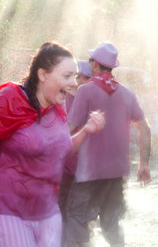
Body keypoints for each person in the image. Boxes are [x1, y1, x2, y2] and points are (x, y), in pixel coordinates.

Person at [0, 42, 104, 247]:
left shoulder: (58, 105)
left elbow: (59, 152)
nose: (74, 83)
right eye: (67, 76)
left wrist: (86, 131)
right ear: (42, 74)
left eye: (75, 76)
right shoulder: (9, 100)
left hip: (49, 214)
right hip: (10, 212)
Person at [64, 42, 151, 246]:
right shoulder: (127, 94)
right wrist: (143, 164)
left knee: (77, 219)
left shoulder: (86, 91)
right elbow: (144, 128)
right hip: (117, 172)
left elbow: (70, 127)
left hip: (89, 173)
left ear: (95, 65)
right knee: (111, 225)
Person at [59, 60, 93, 220]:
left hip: (85, 167)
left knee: (80, 213)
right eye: (77, 76)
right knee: (60, 208)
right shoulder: (60, 98)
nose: (79, 81)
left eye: (85, 78)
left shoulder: (94, 102)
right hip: (61, 165)